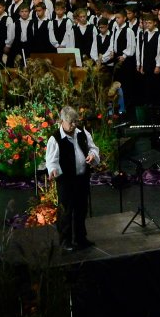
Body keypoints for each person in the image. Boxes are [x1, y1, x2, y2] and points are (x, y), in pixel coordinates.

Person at [43, 104, 102, 250]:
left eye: (76, 122)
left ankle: (81, 238)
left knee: (81, 209)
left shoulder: (82, 133)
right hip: (66, 181)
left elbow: (93, 148)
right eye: (71, 122)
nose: (74, 125)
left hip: (82, 178)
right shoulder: (55, 138)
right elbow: (51, 160)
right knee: (66, 211)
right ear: (62, 121)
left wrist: (92, 155)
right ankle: (65, 241)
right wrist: (53, 170)